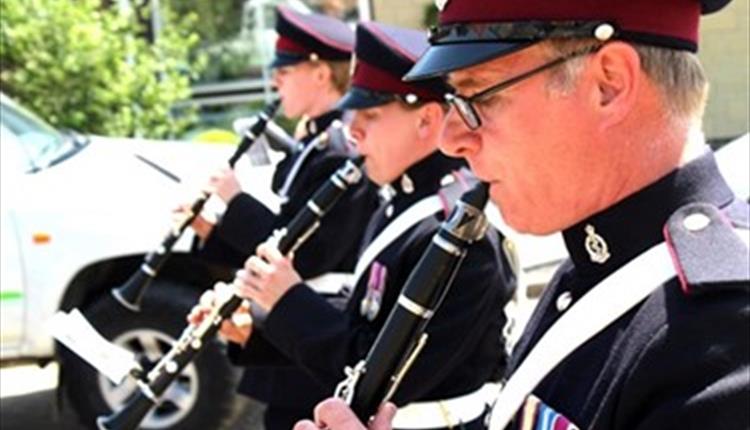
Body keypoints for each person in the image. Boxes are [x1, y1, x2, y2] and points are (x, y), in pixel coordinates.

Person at [294, 0, 750, 429]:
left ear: (608, 84)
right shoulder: (597, 263)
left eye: (480, 97)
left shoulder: (727, 330)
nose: (452, 138)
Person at [194, 21, 517, 430]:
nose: (353, 130)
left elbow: (382, 375)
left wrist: (287, 299)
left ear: (426, 121)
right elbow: (367, 322)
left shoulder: (455, 232)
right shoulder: (399, 205)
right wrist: (257, 327)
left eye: (372, 114)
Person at [179, 5, 378, 430]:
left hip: (315, 329)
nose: (274, 81)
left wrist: (234, 201)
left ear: (320, 73)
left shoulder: (340, 150)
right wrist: (210, 229)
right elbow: (285, 229)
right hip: (291, 333)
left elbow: (305, 255)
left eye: (284, 72)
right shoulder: (317, 142)